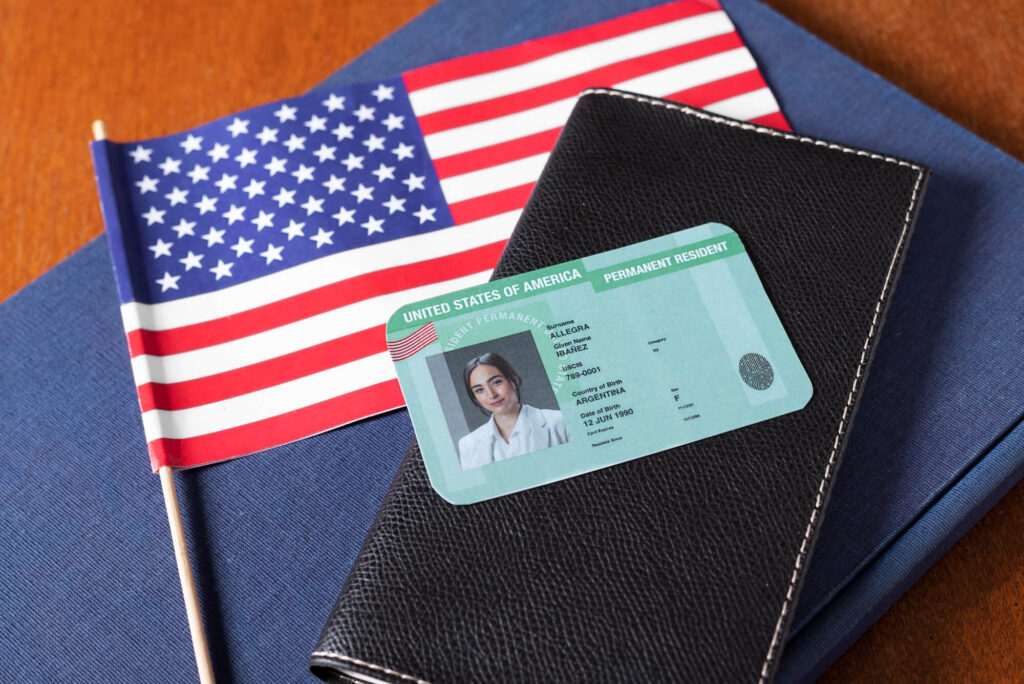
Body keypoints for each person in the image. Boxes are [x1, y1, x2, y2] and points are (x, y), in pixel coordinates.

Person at [457, 352, 568, 470]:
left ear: (513, 381)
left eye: (496, 382)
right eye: (479, 390)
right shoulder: (468, 445)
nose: (491, 395)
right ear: (475, 398)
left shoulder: (559, 422)